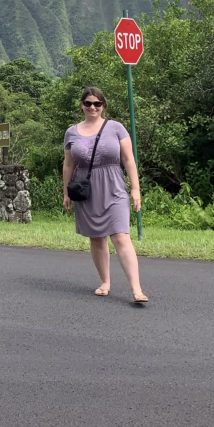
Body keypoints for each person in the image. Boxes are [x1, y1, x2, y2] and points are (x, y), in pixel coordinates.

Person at [62, 86, 149, 304]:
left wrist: (135, 189)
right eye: (88, 103)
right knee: (97, 237)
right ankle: (105, 282)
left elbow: (129, 160)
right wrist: (66, 193)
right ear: (82, 105)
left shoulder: (116, 128)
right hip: (87, 188)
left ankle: (136, 289)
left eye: (97, 103)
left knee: (121, 236)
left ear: (103, 106)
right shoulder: (71, 132)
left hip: (114, 187)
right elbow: (68, 164)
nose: (93, 107)